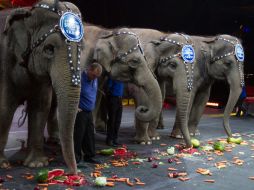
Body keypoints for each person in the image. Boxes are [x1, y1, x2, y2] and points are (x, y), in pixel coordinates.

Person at [73, 63, 102, 165]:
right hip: (80, 112)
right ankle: (76, 158)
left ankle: (89, 156)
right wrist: (75, 106)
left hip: (89, 111)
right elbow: (71, 92)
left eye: (97, 77)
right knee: (78, 135)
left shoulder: (95, 79)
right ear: (89, 70)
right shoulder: (79, 78)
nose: (95, 78)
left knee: (89, 135)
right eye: (93, 75)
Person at [106, 77, 124, 147]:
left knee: (118, 120)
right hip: (113, 99)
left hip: (120, 99)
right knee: (112, 120)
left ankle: (115, 139)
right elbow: (108, 87)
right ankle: (109, 139)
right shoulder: (113, 77)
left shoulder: (122, 78)